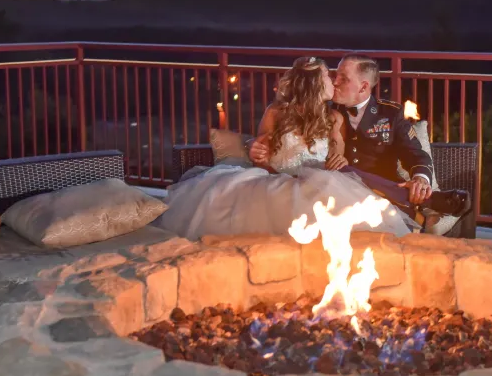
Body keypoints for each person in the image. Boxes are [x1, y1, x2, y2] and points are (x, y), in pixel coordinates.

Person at [155, 56, 415, 240]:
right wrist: (255, 150)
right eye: (328, 76)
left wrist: (337, 157)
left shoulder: (334, 118)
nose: (334, 82)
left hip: (316, 184)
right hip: (274, 182)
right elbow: (261, 150)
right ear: (314, 84)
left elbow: (338, 151)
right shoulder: (276, 113)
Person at [249, 54, 470, 230]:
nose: (335, 82)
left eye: (343, 79)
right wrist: (255, 148)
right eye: (333, 76)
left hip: (377, 191)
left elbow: (415, 153)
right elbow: (269, 143)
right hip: (328, 189)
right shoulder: (326, 111)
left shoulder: (390, 114)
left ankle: (421, 203)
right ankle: (426, 206)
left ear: (364, 87)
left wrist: (421, 178)